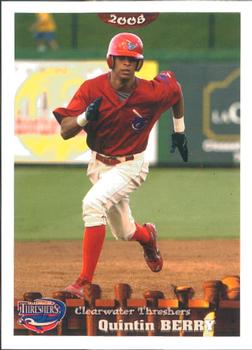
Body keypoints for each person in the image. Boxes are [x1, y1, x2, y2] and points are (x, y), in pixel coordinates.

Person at [53, 32, 188, 298]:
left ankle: (83, 282)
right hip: (99, 164)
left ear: (139, 64)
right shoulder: (92, 88)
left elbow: (176, 90)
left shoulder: (152, 92)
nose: (126, 63)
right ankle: (147, 236)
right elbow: (65, 131)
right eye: (121, 58)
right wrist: (83, 119)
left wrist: (179, 130)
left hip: (131, 164)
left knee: (93, 205)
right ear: (110, 60)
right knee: (125, 232)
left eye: (132, 59)